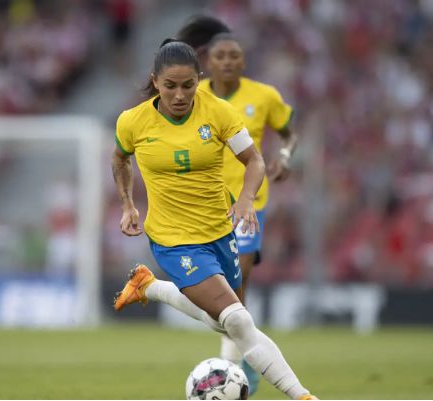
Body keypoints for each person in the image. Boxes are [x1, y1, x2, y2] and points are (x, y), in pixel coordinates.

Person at [111, 39, 318, 400]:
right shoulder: (133, 121)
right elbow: (119, 160)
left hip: (220, 232)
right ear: (155, 81)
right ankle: (302, 395)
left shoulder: (218, 112)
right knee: (238, 319)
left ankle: (151, 287)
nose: (179, 95)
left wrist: (247, 200)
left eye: (188, 85)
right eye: (170, 86)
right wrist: (128, 204)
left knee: (229, 322)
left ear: (198, 80)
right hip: (173, 240)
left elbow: (253, 161)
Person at [176, 16, 300, 396]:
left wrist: (285, 155)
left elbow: (289, 131)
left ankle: (234, 359)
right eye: (221, 56)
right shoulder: (193, 98)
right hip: (204, 203)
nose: (228, 61)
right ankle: (243, 349)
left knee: (238, 276)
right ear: (208, 62)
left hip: (249, 203)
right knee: (219, 285)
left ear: (243, 62)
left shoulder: (263, 96)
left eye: (235, 56)